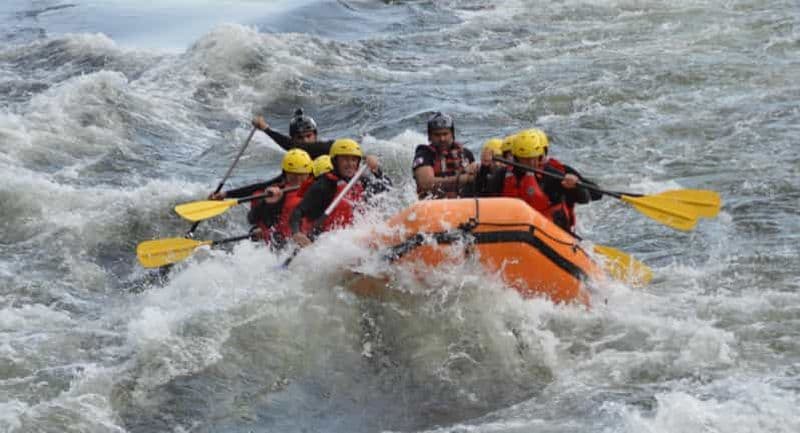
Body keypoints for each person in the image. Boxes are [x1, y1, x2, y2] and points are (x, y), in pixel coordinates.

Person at [476, 129, 601, 232]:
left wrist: (576, 187)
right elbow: (483, 198)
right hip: (513, 231)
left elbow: (584, 199)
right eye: (525, 159)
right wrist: (484, 170)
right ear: (516, 158)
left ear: (541, 155)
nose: (531, 163)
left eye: (534, 158)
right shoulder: (502, 176)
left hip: (551, 233)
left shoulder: (551, 175)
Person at [290, 138, 391, 246]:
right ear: (335, 161)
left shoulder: (360, 180)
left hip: (355, 235)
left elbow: (387, 189)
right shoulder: (324, 185)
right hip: (329, 241)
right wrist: (297, 233)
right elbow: (298, 212)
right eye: (345, 160)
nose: (350, 164)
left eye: (354, 160)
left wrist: (376, 170)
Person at [247, 149, 314, 249]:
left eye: (302, 175)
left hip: (310, 239)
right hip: (283, 244)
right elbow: (253, 219)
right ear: (285, 173)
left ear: (309, 174)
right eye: (293, 175)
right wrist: (266, 203)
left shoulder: (318, 189)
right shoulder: (277, 194)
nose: (298, 179)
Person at [412, 112, 479, 199]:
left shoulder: (466, 154)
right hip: (434, 204)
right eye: (437, 135)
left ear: (452, 134)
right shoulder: (424, 154)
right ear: (429, 136)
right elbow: (426, 184)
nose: (442, 139)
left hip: (463, 203)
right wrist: (463, 179)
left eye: (445, 134)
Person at [252, 108, 334, 159]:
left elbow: (291, 145)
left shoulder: (326, 149)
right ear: (293, 139)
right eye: (299, 138)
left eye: (308, 136)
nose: (305, 140)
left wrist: (266, 129)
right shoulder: (293, 160)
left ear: (315, 136)